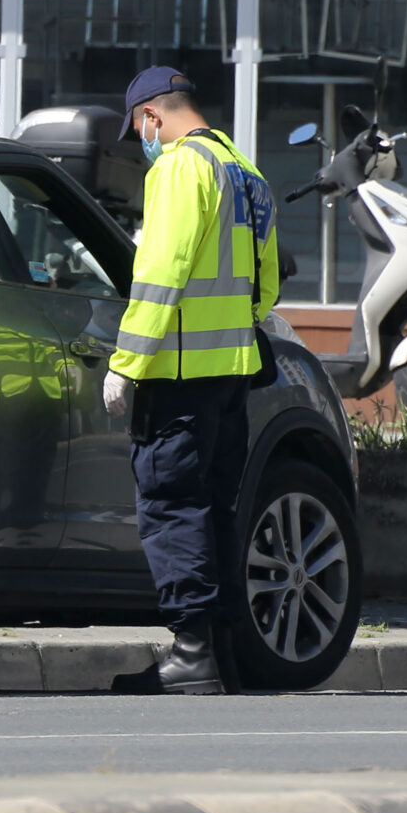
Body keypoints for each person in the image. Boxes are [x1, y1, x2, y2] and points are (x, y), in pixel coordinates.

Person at [103, 66, 279, 695]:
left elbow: (160, 272)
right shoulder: (243, 171)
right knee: (214, 510)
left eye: (140, 129)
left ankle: (190, 654)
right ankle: (223, 652)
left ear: (152, 116)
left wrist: (127, 362)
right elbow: (268, 282)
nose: (143, 141)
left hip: (177, 374)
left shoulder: (180, 168)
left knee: (172, 506)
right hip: (231, 375)